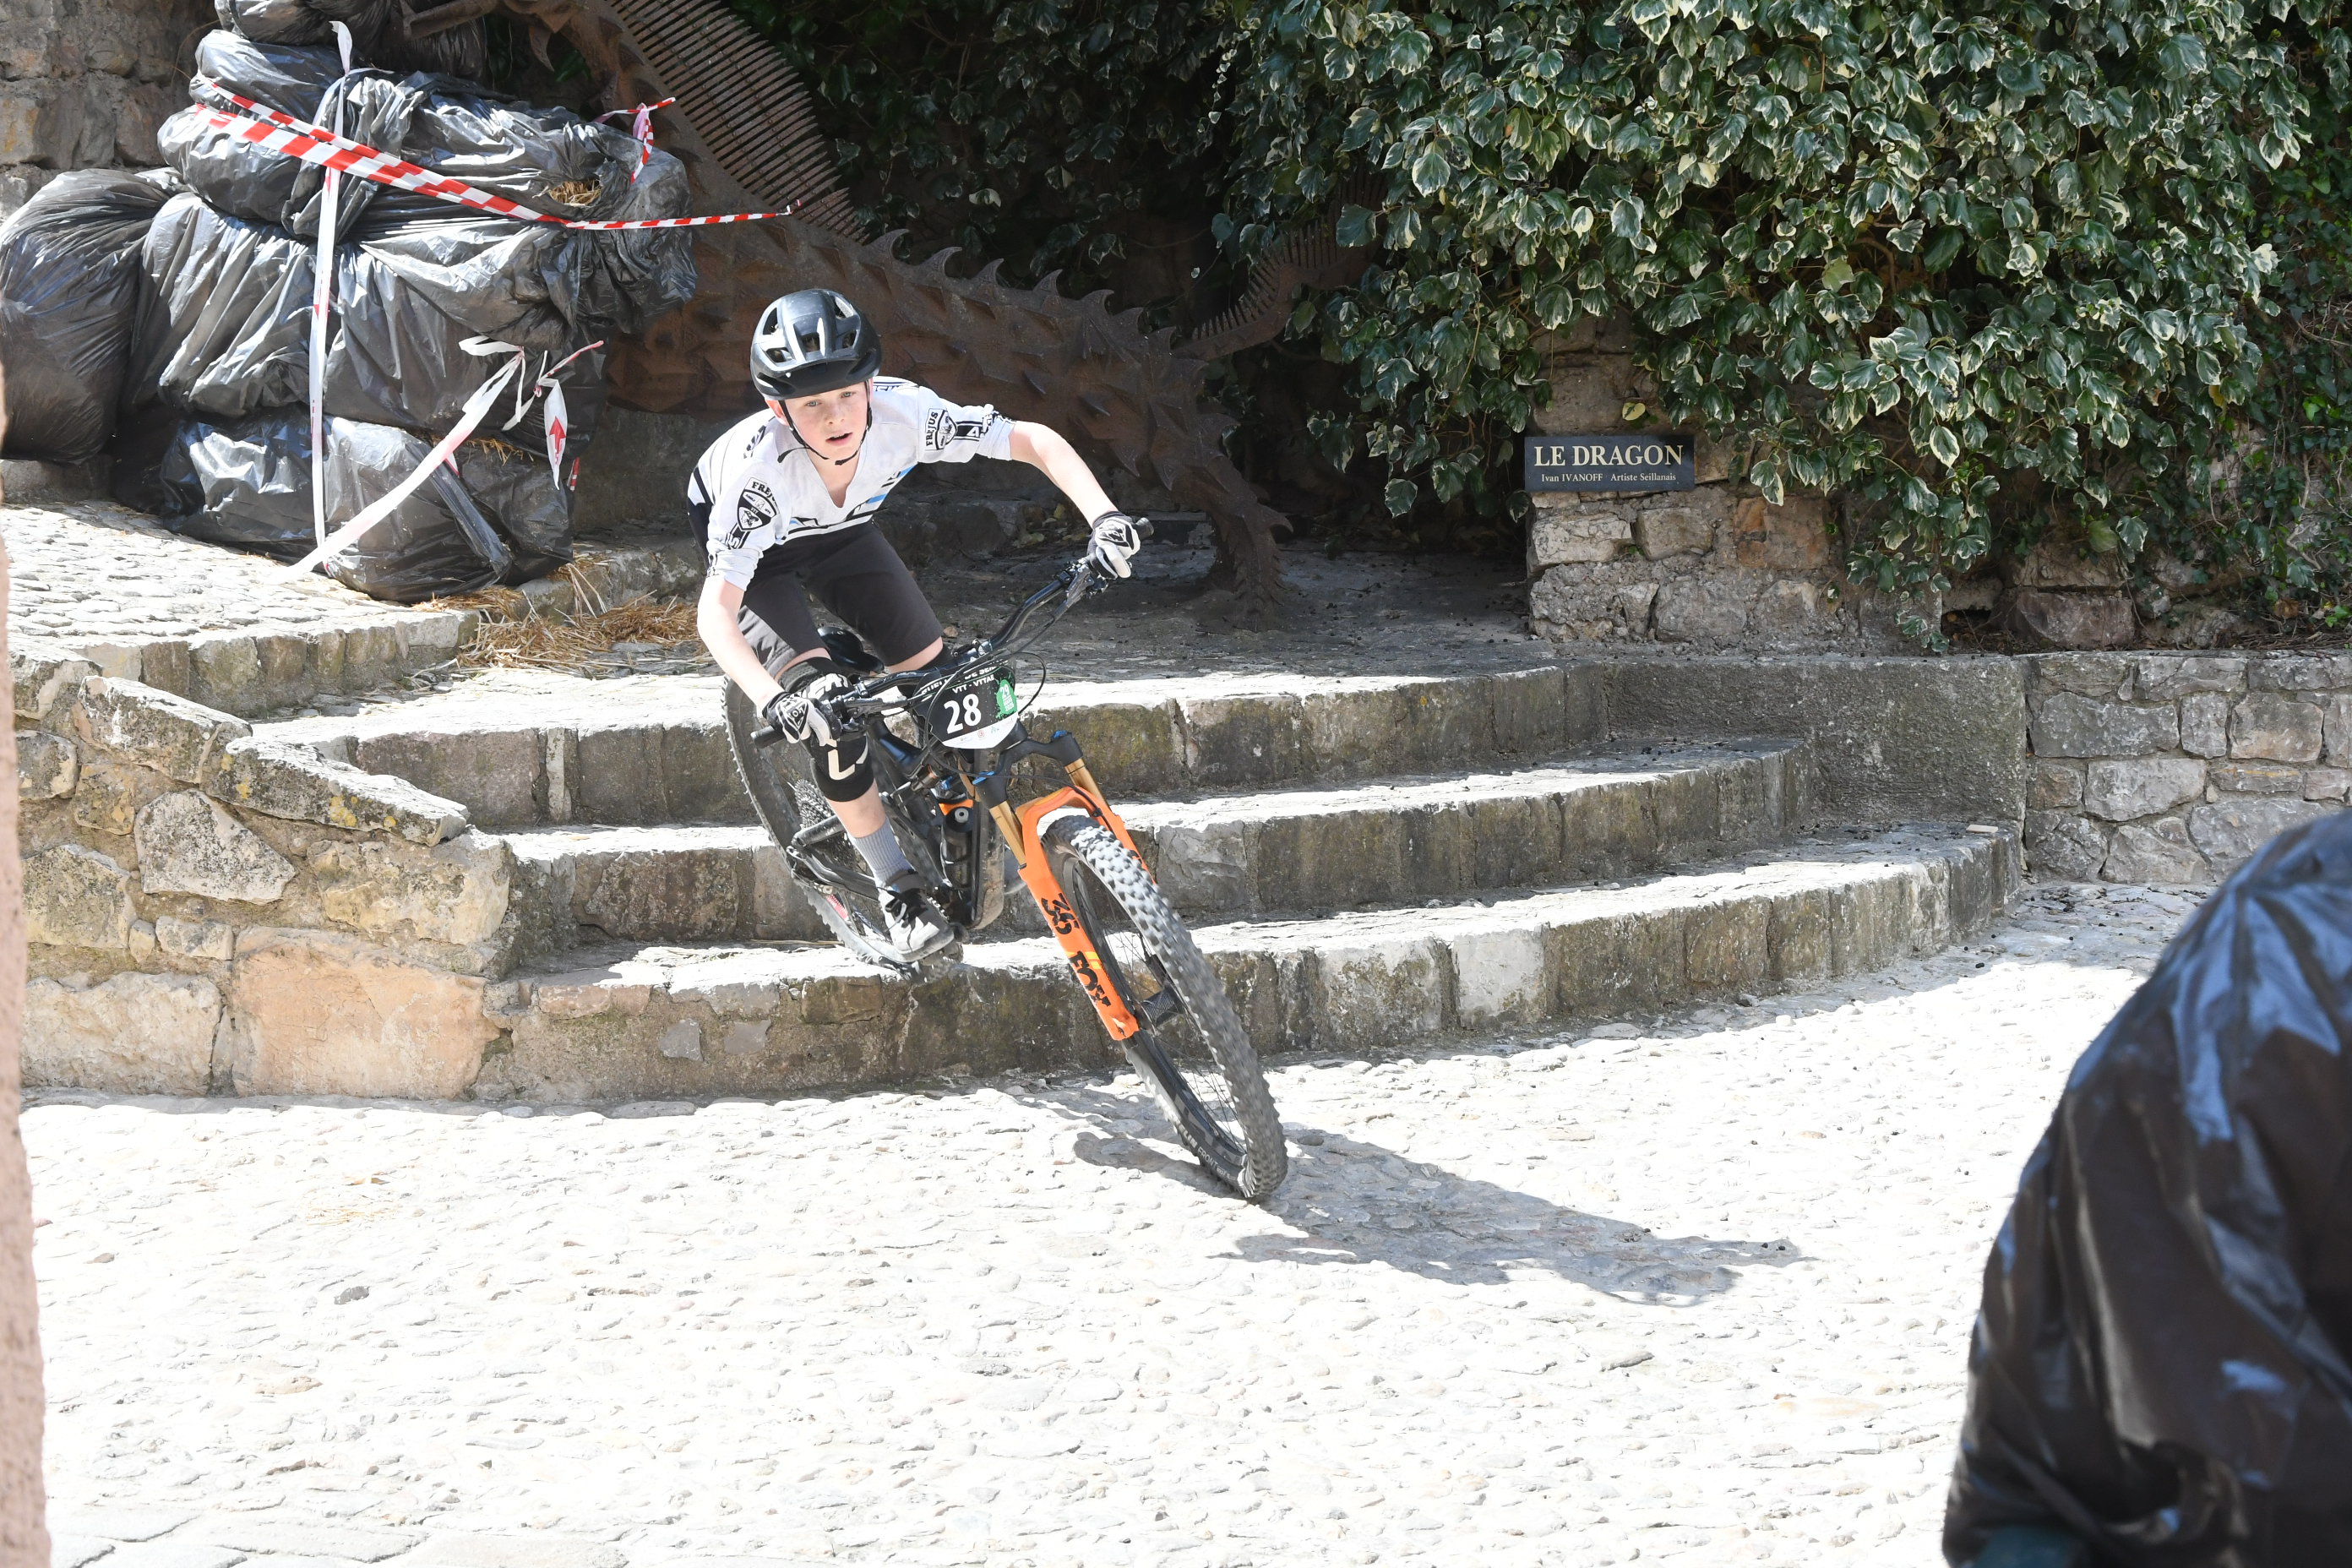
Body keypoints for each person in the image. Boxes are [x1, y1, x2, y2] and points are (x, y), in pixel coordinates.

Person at [690, 288, 1146, 960]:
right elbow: (715, 613)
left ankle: (945, 807)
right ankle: (896, 885)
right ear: (777, 409)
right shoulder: (756, 480)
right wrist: (775, 699)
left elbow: (1031, 440)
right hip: (762, 560)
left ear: (871, 385)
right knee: (831, 721)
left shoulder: (907, 413)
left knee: (942, 679)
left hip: (845, 532)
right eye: (810, 404)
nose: (834, 416)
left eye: (847, 395)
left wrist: (1104, 519)